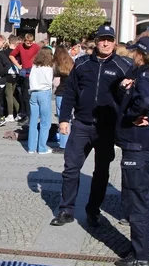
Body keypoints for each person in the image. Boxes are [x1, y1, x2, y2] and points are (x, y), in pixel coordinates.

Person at [52, 25, 132, 228]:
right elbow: (69, 92)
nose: (105, 43)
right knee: (71, 168)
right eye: (102, 39)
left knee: (101, 171)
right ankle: (66, 210)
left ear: (114, 42)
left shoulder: (124, 66)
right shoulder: (81, 63)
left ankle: (93, 210)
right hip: (81, 124)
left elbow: (130, 97)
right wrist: (63, 119)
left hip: (106, 128)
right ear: (95, 41)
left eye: (109, 39)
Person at [114, 35, 149, 266]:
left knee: (136, 201)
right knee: (139, 198)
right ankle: (139, 246)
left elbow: (146, 101)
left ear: (141, 55)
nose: (132, 55)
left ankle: (140, 255)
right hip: (142, 145)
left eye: (135, 52)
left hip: (137, 146)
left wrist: (131, 116)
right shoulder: (148, 75)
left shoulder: (145, 76)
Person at [27, 47, 54, 153]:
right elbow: (49, 82)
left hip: (33, 92)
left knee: (33, 121)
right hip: (44, 92)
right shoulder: (48, 67)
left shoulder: (35, 66)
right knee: (45, 122)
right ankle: (42, 147)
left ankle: (31, 147)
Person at [9, 33, 41, 122]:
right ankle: (26, 114)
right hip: (24, 73)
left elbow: (42, 56)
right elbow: (11, 55)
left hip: (33, 73)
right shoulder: (20, 46)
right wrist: (18, 66)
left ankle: (29, 116)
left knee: (28, 96)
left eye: (31, 42)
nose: (30, 44)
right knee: (23, 95)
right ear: (24, 41)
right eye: (28, 42)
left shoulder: (36, 47)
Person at [52, 47, 74, 153]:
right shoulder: (71, 63)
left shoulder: (57, 65)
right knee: (69, 118)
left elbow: (55, 83)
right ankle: (69, 142)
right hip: (71, 94)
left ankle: (63, 145)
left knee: (62, 118)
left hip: (61, 93)